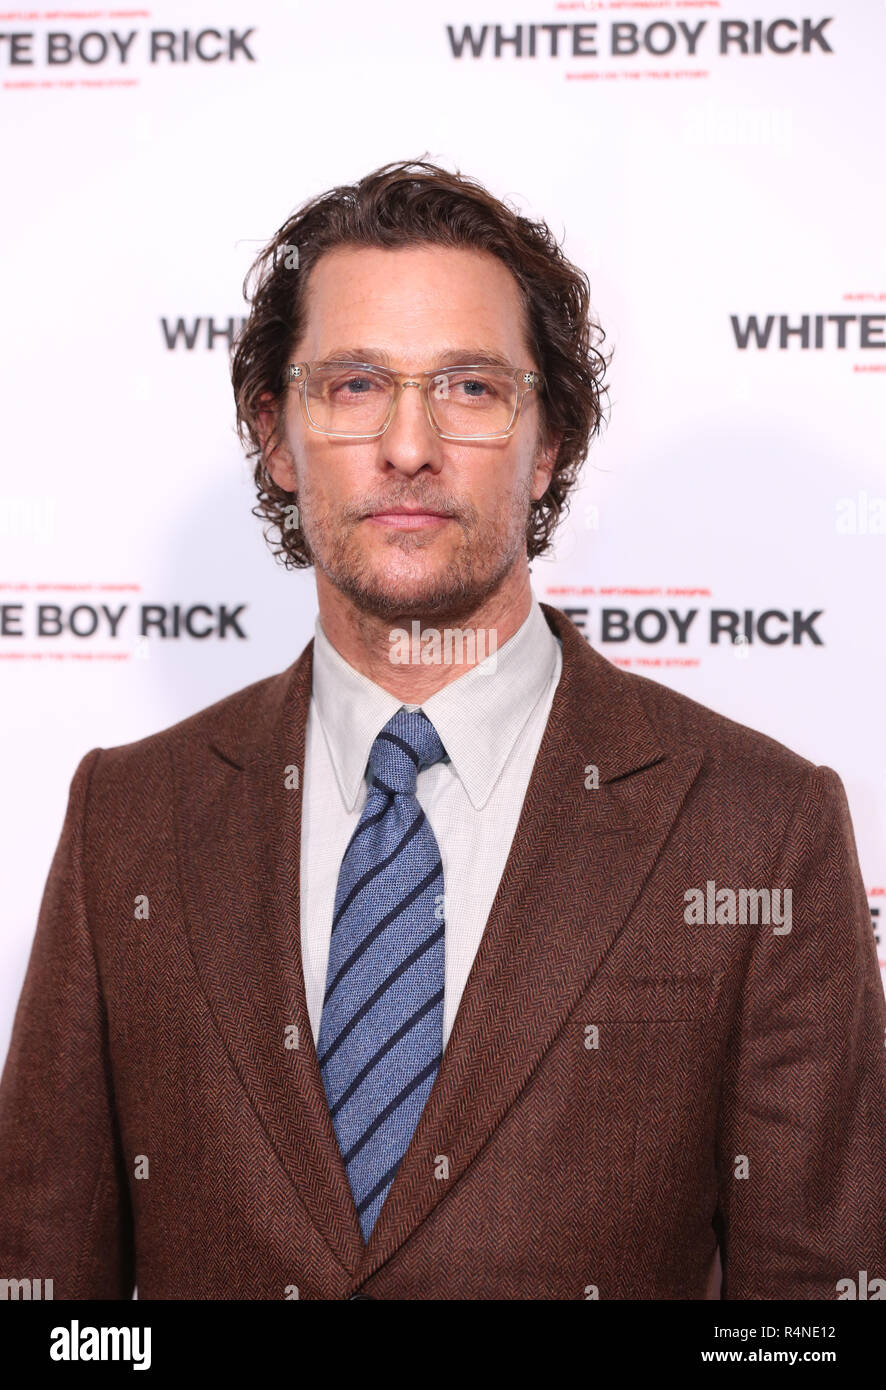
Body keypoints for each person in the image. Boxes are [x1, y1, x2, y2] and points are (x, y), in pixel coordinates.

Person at [1, 159, 883, 1300]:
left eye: (469, 387)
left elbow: (811, 1318)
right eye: (355, 384)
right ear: (276, 435)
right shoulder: (127, 814)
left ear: (550, 439)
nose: (408, 444)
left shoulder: (759, 827)